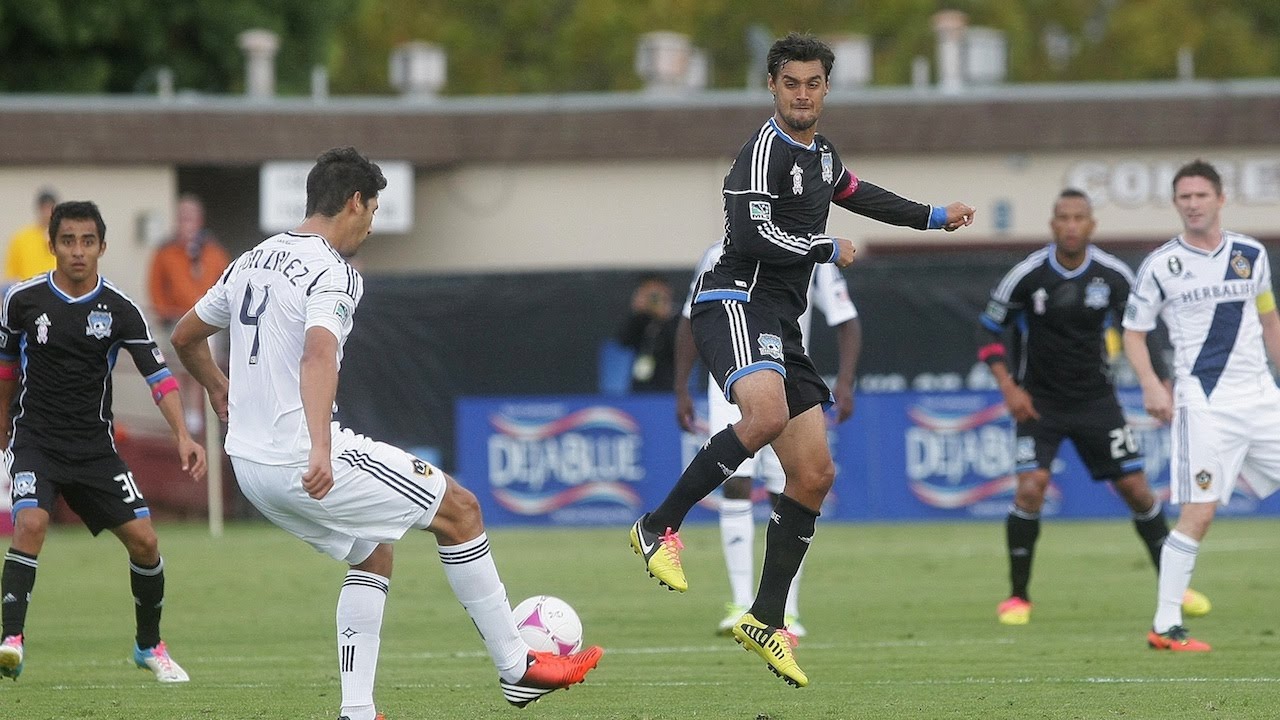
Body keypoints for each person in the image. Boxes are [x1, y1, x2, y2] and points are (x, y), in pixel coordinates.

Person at [168, 147, 602, 718]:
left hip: (249, 467)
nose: (370, 226)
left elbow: (183, 335)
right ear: (354, 202)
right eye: (372, 212)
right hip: (301, 456)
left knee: (373, 554)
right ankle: (517, 668)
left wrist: (219, 389)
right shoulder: (333, 270)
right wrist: (321, 447)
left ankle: (357, 711)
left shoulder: (251, 259)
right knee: (462, 510)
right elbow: (319, 356)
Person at [628, 33, 974, 688]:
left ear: (825, 89)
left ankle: (764, 617)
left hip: (781, 326)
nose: (803, 94)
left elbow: (858, 190)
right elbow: (754, 234)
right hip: (733, 301)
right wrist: (821, 246)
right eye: (792, 83)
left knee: (813, 475)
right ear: (772, 87)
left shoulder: (822, 156)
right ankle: (656, 526)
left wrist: (931, 216)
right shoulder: (760, 154)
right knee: (761, 416)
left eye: (814, 83)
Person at [978, 188, 1211, 627]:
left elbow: (1138, 332)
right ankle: (1018, 598)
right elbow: (989, 332)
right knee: (1031, 488)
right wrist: (1009, 388)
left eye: (1078, 218)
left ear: (1091, 226)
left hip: (1096, 402)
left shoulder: (1113, 275)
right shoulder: (1028, 275)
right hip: (1038, 403)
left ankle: (1176, 589)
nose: (1070, 225)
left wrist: (1157, 383)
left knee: (1138, 491)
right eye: (1062, 218)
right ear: (1053, 225)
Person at [0, 200, 206, 682]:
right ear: (52, 245)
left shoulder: (120, 309)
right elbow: (5, 370)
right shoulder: (22, 301)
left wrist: (183, 435)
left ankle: (149, 645)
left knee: (146, 543)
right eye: (68, 241)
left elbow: (159, 377)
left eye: (87, 241)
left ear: (102, 247)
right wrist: (2, 428)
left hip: (95, 450)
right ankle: (11, 640)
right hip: (37, 442)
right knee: (30, 523)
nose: (77, 251)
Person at [1123, 159, 1280, 653]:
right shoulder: (1161, 264)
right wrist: (1150, 384)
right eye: (1183, 198)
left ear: (1220, 198)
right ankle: (1166, 626)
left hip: (1261, 399)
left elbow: (1269, 319)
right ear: (1176, 204)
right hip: (1205, 405)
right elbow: (1133, 332)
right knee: (1199, 512)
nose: (1192, 205)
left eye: (1200, 196)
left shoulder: (1250, 255)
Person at [674, 240, 861, 638]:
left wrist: (845, 382)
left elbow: (846, 318)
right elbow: (691, 317)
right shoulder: (717, 254)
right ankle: (740, 602)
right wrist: (681, 388)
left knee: (792, 489)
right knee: (737, 484)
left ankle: (785, 608)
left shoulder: (816, 252)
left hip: (788, 378)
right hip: (730, 377)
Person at [147, 193, 231, 432]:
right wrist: (163, 312)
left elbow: (226, 282)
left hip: (207, 321)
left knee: (205, 365)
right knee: (176, 368)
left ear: (200, 221)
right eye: (182, 218)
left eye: (191, 218)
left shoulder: (213, 251)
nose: (187, 224)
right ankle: (183, 417)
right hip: (175, 319)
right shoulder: (165, 252)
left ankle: (202, 417)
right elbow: (155, 285)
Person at [616, 274, 678, 392]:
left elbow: (678, 346)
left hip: (668, 385)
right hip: (641, 385)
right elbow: (623, 340)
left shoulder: (677, 318)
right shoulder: (641, 320)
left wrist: (665, 317)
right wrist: (637, 313)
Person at [3, 188, 58, 285]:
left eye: (50, 208)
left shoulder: (61, 238)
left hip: (54, 288)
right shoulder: (21, 238)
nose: (47, 213)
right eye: (44, 208)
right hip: (28, 290)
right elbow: (11, 274)